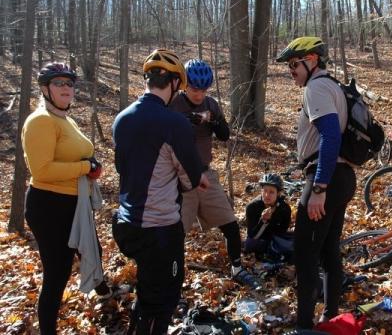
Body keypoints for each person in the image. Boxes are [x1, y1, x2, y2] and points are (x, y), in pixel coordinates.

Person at [112, 49, 210, 334]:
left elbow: (124, 168)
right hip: (160, 229)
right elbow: (191, 179)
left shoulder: (122, 119)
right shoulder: (174, 123)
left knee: (147, 292)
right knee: (162, 301)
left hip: (127, 224)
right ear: (175, 84)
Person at [23, 62, 112, 335]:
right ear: (45, 89)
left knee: (93, 250)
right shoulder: (40, 121)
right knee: (57, 273)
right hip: (49, 205)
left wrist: (90, 163)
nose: (66, 88)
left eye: (70, 83)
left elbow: (74, 153)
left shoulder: (65, 120)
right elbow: (41, 169)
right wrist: (85, 168)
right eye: (58, 83)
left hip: (74, 203)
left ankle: (104, 294)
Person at [275, 37, 356, 329]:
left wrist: (319, 188)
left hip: (327, 178)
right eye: (289, 66)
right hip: (343, 177)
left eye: (294, 64)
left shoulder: (316, 88)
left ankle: (305, 325)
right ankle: (330, 314)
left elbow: (331, 136)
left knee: (305, 253)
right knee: (328, 248)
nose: (291, 70)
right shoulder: (332, 86)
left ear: (311, 60)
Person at [169, 59, 260, 289]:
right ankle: (172, 280)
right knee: (175, 234)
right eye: (194, 89)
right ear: (184, 86)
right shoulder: (174, 104)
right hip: (179, 179)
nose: (199, 95)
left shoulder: (211, 104)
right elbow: (164, 134)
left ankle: (237, 267)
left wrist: (214, 120)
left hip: (206, 175)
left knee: (230, 223)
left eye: (203, 89)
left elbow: (224, 135)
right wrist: (186, 122)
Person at [244, 173, 292, 258]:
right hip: (259, 239)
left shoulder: (284, 208)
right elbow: (253, 235)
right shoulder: (252, 207)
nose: (267, 195)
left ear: (278, 193)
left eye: (271, 192)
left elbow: (283, 230)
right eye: (265, 191)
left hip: (275, 238)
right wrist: (263, 221)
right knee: (249, 243)